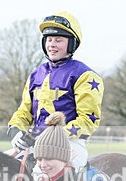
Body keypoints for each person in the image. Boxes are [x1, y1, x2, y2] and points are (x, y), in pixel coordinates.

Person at [7, 11, 104, 171]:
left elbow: (88, 120)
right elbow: (24, 112)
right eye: (49, 39)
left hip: (69, 144)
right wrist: (16, 132)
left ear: (71, 43)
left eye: (58, 40)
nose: (52, 44)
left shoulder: (85, 76)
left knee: (44, 173)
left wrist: (50, 137)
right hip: (36, 144)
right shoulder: (35, 75)